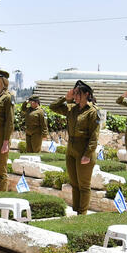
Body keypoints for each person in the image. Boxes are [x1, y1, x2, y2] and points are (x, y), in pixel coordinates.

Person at [49, 81, 101, 214]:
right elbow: (53, 107)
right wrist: (66, 98)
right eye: (75, 93)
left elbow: (94, 136)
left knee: (84, 186)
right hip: (71, 150)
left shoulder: (92, 111)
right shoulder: (71, 108)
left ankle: (82, 214)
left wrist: (87, 154)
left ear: (87, 94)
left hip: (84, 150)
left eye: (78, 93)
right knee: (74, 184)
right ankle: (77, 211)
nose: (76, 96)